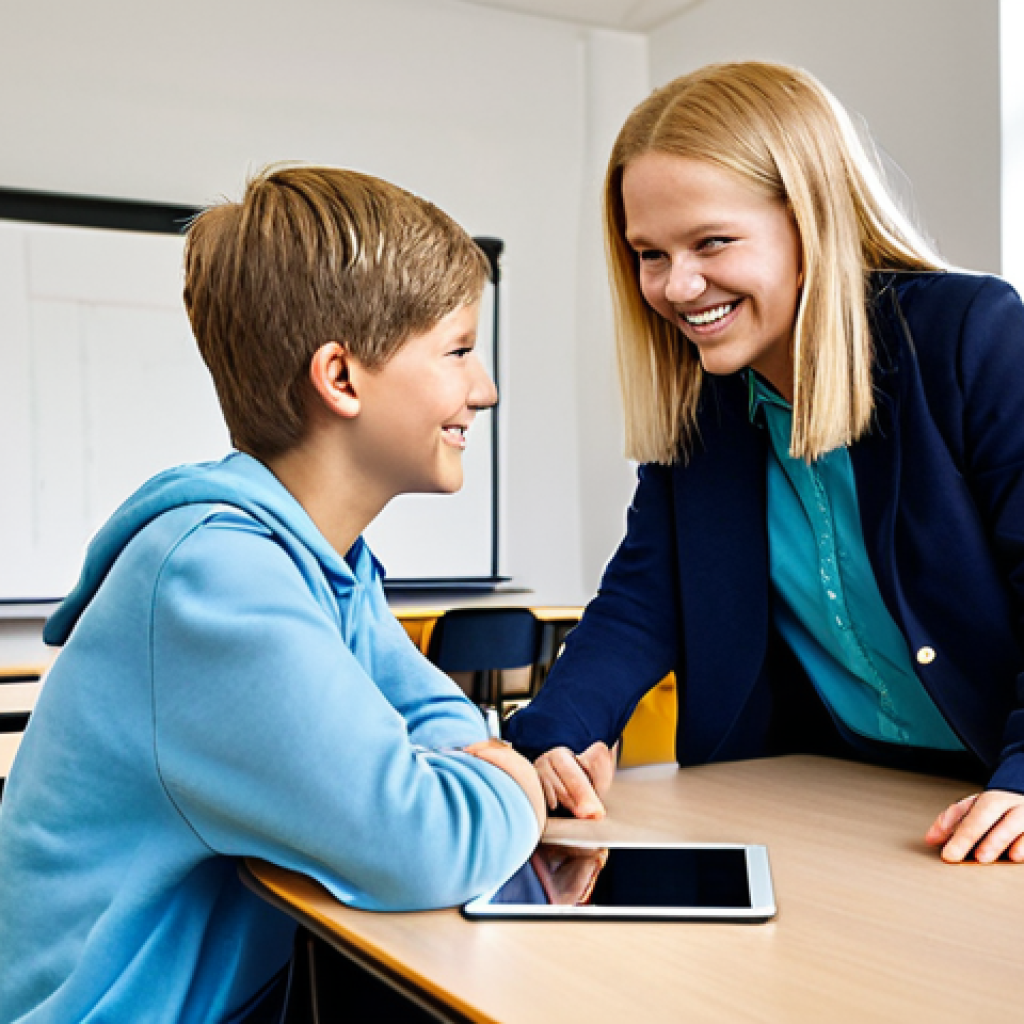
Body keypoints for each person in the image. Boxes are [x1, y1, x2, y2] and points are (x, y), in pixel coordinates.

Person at [0, 165, 545, 1024]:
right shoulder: (214, 580)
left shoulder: (324, 563)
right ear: (341, 378)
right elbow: (422, 843)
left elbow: (435, 716)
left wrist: (475, 762)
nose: (485, 389)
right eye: (458, 351)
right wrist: (520, 787)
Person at [505, 60, 1024, 866]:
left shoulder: (969, 335)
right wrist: (550, 739)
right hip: (827, 794)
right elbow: (642, 600)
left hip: (989, 800)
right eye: (650, 253)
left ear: (812, 222)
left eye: (711, 242)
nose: (677, 287)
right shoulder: (706, 405)